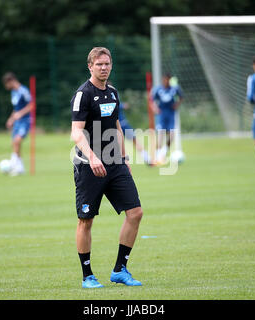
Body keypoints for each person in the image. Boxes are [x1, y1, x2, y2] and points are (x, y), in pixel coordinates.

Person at [70, 47, 143, 289]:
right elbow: (76, 132)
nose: (104, 67)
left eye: (107, 63)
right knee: (86, 220)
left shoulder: (112, 93)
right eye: (99, 64)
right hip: (89, 165)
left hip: (115, 164)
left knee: (135, 213)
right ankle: (87, 275)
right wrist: (92, 157)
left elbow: (116, 126)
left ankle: (120, 270)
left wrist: (124, 158)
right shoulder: (84, 94)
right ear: (90, 66)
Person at [2, 72, 33, 176]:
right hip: (17, 121)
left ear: (10, 81)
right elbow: (16, 109)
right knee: (15, 144)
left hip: (25, 120)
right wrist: (11, 119)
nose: (6, 87)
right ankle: (20, 168)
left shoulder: (23, 90)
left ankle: (13, 165)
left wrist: (20, 114)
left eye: (6, 84)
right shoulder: (13, 92)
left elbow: (31, 105)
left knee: (17, 141)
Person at [151, 73, 183, 163]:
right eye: (164, 80)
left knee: (172, 135)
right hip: (161, 114)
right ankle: (157, 156)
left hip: (171, 114)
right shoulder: (158, 89)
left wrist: (177, 104)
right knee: (160, 134)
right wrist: (155, 108)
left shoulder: (174, 89)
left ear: (169, 80)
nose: (165, 82)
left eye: (167, 80)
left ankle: (164, 151)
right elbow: (152, 100)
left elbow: (181, 97)